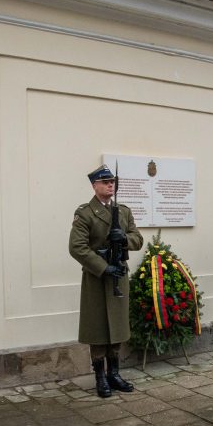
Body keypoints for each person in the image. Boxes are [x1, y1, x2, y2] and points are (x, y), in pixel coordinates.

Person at [69, 164, 143, 398]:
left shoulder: (123, 211)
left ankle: (114, 374)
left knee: (118, 327)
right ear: (95, 185)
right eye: (105, 182)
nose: (110, 185)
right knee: (98, 327)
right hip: (97, 278)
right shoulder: (85, 213)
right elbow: (77, 247)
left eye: (112, 182)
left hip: (119, 276)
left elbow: (138, 239)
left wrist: (124, 240)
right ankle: (100, 376)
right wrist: (103, 267)